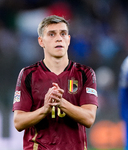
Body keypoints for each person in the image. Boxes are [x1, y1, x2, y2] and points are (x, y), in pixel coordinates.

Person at [12, 15, 98, 150]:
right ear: (41, 41)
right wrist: (44, 109)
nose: (59, 38)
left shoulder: (85, 73)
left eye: (63, 33)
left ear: (68, 40)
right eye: (51, 34)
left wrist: (61, 103)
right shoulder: (28, 74)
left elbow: (89, 119)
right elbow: (18, 122)